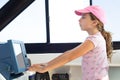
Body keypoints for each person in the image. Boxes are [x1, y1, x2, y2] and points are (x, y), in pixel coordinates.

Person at [28, 5, 113, 80]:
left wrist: (44, 68)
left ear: (94, 22)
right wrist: (46, 64)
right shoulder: (95, 39)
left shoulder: (94, 40)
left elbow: (69, 56)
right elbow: (69, 54)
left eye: (83, 17)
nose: (79, 20)